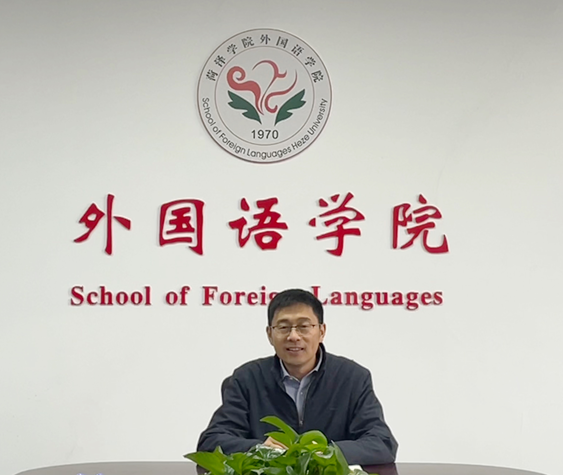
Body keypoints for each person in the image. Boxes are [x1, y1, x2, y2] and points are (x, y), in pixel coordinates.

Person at [196, 289, 398, 465]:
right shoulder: (247, 378)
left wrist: (324, 453)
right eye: (283, 327)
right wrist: (261, 449)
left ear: (321, 332)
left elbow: (382, 443)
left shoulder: (353, 378)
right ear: (269, 334)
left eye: (303, 326)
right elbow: (212, 441)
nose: (293, 336)